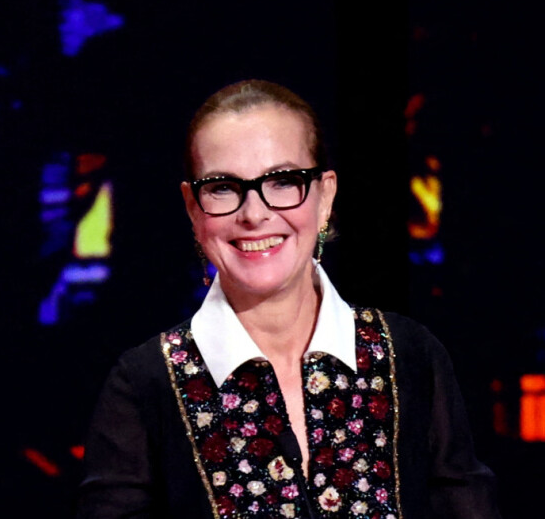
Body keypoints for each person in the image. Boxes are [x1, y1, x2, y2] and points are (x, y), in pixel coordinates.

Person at [76, 80, 501, 518]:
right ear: (192, 208)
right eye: (222, 187)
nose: (254, 213)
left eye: (282, 181)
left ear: (325, 196)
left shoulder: (410, 357)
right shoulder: (144, 385)